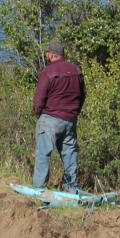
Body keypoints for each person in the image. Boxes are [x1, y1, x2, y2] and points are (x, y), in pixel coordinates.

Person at [32, 39, 85, 191]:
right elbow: (82, 96)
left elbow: (38, 100)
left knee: (43, 154)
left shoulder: (48, 72)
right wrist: (74, 113)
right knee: (70, 154)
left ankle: (39, 188)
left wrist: (39, 115)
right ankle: (71, 187)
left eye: (47, 52)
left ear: (51, 55)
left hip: (50, 118)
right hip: (70, 119)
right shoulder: (76, 70)